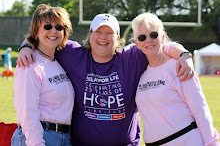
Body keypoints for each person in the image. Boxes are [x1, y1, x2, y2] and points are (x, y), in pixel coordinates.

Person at [17, 13, 194, 146]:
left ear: (117, 38)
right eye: (98, 32)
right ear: (90, 34)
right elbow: (47, 39)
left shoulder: (132, 58)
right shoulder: (73, 54)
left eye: (109, 33)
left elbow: (161, 44)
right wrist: (26, 45)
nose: (103, 37)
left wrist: (184, 54)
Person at [133, 13, 219, 145]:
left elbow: (200, 109)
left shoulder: (179, 66)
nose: (148, 40)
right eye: (142, 37)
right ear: (137, 43)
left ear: (162, 38)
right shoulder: (140, 73)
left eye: (153, 35)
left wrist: (212, 143)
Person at [11, 4, 75, 146]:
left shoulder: (58, 61)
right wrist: (36, 143)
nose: (53, 31)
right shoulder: (29, 63)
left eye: (59, 27)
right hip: (39, 138)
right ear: (36, 31)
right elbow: (27, 111)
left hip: (63, 138)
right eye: (47, 27)